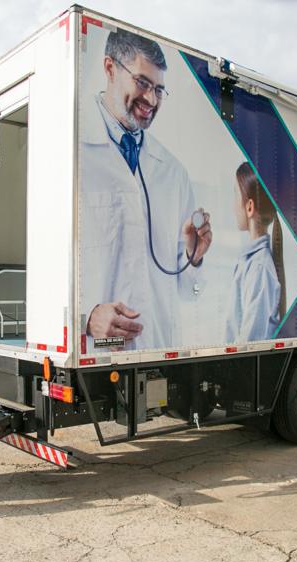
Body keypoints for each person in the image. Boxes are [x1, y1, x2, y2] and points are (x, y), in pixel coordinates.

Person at [79, 29, 212, 351]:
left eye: (160, 90)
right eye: (142, 83)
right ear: (109, 68)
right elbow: (43, 259)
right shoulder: (72, 152)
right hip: (92, 353)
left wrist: (194, 258)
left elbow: (187, 291)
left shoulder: (173, 172)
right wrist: (86, 316)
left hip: (157, 348)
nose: (151, 100)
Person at [224, 162, 286, 342]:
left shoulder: (259, 268)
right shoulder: (252, 262)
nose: (233, 208)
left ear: (249, 207)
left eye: (236, 195)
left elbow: (251, 341)